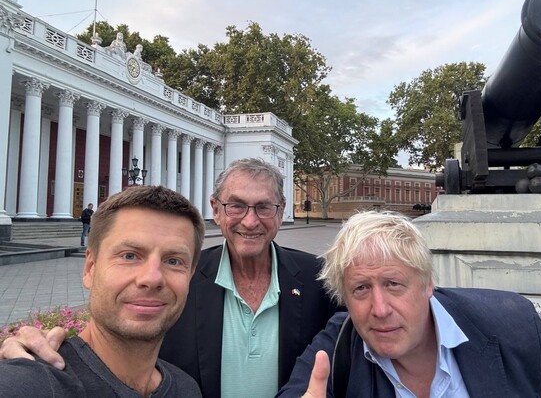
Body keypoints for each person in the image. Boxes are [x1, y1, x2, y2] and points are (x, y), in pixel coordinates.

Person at [0, 158, 340, 398]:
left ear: (281, 211)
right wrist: (32, 348)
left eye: (264, 207)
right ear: (216, 209)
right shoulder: (181, 279)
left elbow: (357, 338)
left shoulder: (318, 278)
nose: (250, 221)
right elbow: (115, 334)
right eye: (236, 206)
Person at [278, 211, 541, 398]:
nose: (380, 309)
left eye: (394, 284)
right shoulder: (336, 349)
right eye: (361, 289)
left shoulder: (511, 323)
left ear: (427, 283)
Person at [0, 185, 206, 397]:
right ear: (90, 268)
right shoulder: (29, 384)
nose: (152, 279)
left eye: (173, 261)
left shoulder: (186, 389)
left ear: (190, 276)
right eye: (129, 256)